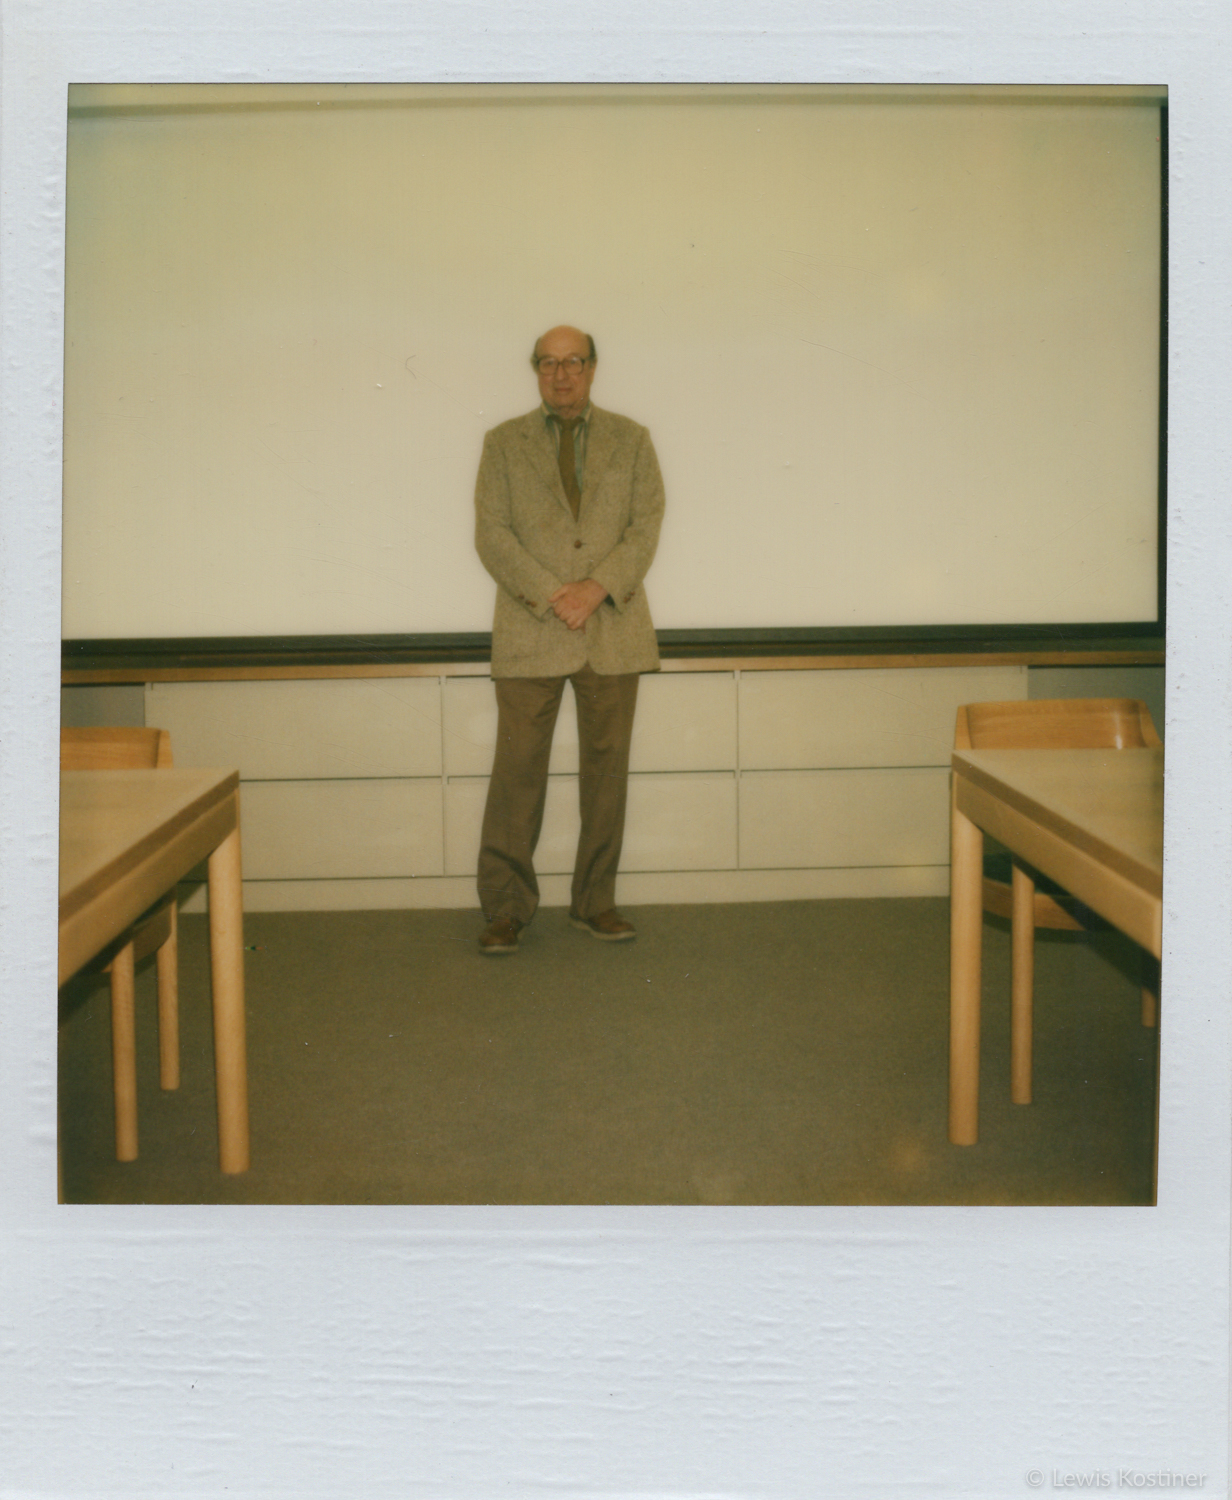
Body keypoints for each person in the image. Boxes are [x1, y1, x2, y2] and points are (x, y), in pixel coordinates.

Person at [473, 324, 665, 954]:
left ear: (592, 368)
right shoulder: (502, 444)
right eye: (548, 363)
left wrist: (596, 588)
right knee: (516, 775)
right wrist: (557, 592)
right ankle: (506, 909)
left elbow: (645, 525)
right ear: (535, 370)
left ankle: (595, 902)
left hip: (612, 627)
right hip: (532, 628)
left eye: (573, 362)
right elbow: (492, 534)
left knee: (607, 776)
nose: (561, 374)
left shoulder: (632, 441)